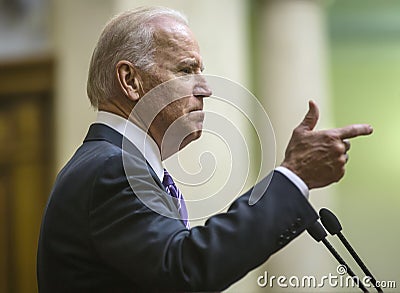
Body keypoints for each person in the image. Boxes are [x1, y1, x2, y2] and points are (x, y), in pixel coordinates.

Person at [37, 6, 373, 293]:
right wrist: (294, 175)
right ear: (130, 81)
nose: (206, 88)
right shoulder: (113, 170)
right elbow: (186, 268)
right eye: (186, 70)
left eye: (202, 71)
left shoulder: (112, 163)